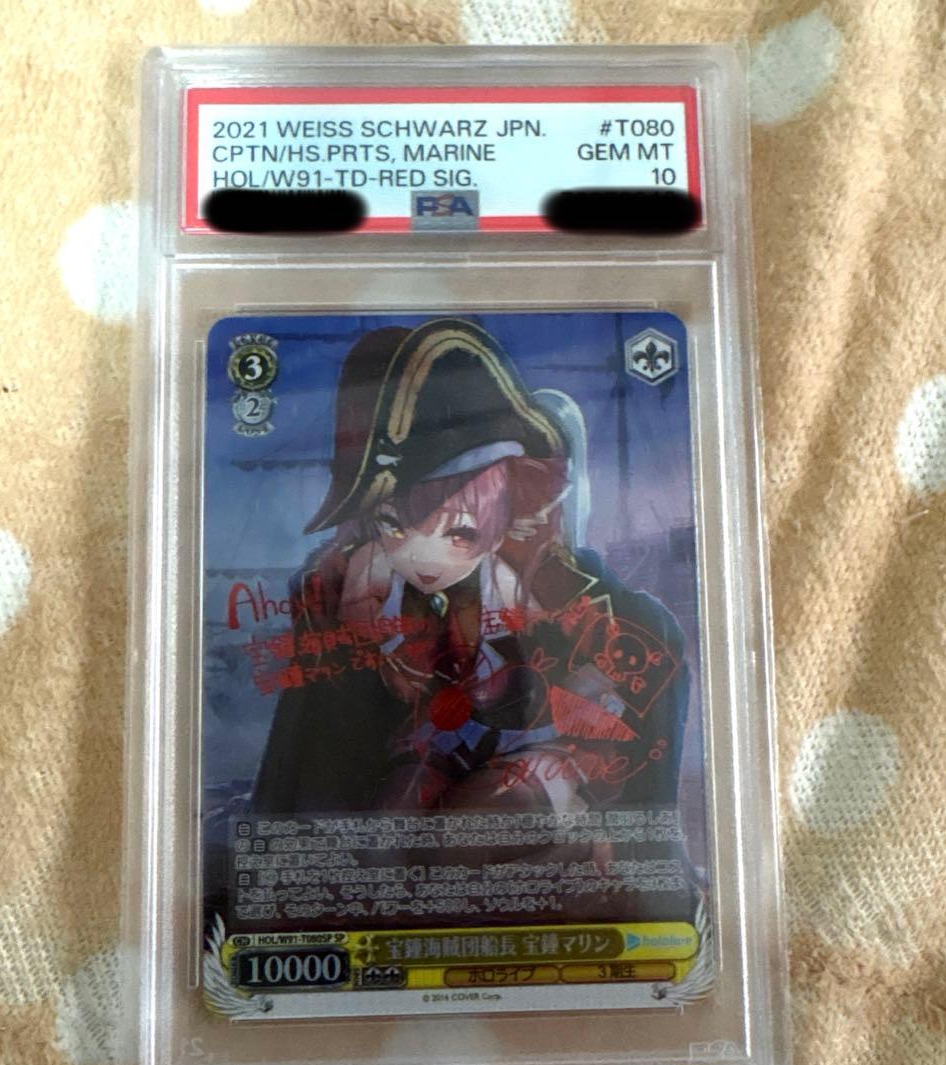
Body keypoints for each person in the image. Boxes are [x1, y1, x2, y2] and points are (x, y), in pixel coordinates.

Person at [249, 318, 695, 917]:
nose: (421, 557)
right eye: (394, 525)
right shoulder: (357, 592)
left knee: (473, 830)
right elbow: (315, 774)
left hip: (550, 766)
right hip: (432, 763)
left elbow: (633, 684)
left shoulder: (573, 599)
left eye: (459, 532)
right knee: (391, 833)